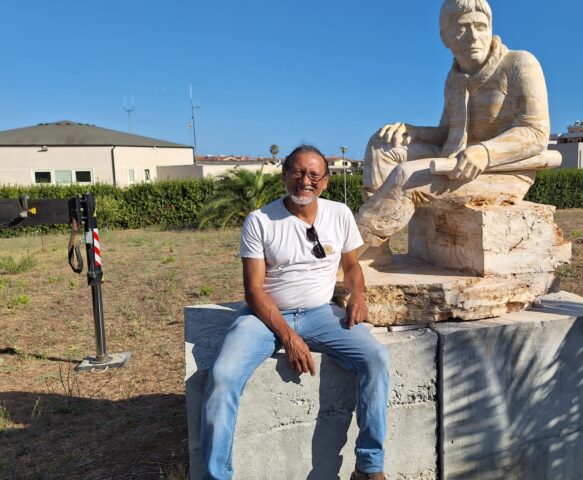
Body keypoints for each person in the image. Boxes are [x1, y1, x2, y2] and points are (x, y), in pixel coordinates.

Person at [201, 145, 389, 480]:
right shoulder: (260, 220)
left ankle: (369, 467)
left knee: (375, 357)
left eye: (314, 174)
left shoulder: (340, 213)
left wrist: (358, 295)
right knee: (223, 375)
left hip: (321, 312)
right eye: (298, 172)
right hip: (265, 317)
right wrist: (289, 336)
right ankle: (217, 476)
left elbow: (352, 266)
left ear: (326, 182)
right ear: (285, 175)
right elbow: (254, 291)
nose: (306, 180)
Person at [356, 0, 551, 259]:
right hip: (454, 165)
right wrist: (414, 131)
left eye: (480, 26)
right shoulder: (454, 79)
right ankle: (375, 251)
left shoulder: (519, 63)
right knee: (382, 145)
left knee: (406, 175)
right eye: (462, 28)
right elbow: (450, 134)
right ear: (445, 37)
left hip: (502, 171)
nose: (473, 36)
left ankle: (350, 252)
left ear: (490, 28)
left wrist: (485, 152)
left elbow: (535, 132)